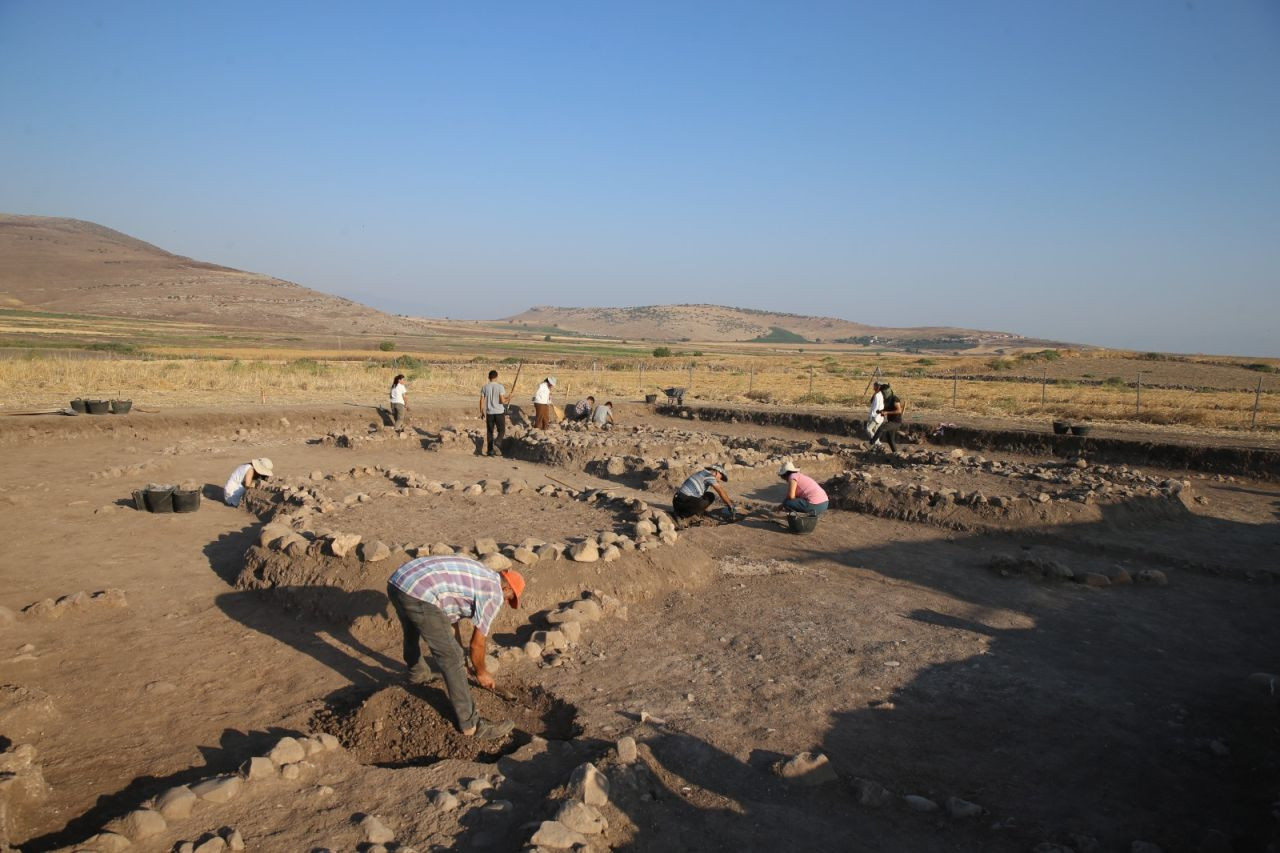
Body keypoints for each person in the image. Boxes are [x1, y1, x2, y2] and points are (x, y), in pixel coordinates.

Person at [386, 555, 525, 740]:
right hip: (420, 593)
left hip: (399, 582)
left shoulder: (480, 577)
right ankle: (472, 726)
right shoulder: (494, 593)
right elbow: (477, 644)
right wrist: (481, 672)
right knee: (451, 658)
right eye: (511, 597)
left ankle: (417, 675)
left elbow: (450, 622)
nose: (507, 602)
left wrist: (462, 657)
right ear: (506, 587)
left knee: (412, 628)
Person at [479, 370, 510, 456]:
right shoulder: (500, 387)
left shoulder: (485, 387)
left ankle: (490, 451)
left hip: (489, 412)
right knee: (502, 430)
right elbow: (502, 401)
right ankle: (497, 442)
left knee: (490, 432)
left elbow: (481, 400)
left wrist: (481, 411)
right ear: (496, 377)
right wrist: (509, 398)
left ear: (489, 377)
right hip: (499, 412)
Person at [870, 382, 905, 452]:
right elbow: (887, 409)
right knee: (890, 439)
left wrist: (887, 412)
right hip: (891, 421)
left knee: (881, 428)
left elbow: (899, 411)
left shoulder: (895, 399)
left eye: (882, 393)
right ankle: (895, 454)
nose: (882, 394)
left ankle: (870, 444)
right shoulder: (887, 400)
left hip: (896, 422)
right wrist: (881, 411)